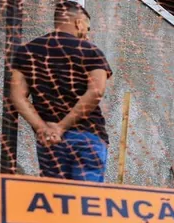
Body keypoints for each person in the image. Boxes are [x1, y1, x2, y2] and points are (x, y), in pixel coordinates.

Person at [9, 1, 113, 182]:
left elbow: (17, 95)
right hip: (88, 137)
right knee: (85, 203)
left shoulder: (27, 51)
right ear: (79, 23)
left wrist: (43, 128)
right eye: (86, 29)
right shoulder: (90, 51)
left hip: (50, 141)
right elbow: (96, 91)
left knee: (56, 202)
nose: (86, 36)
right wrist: (62, 126)